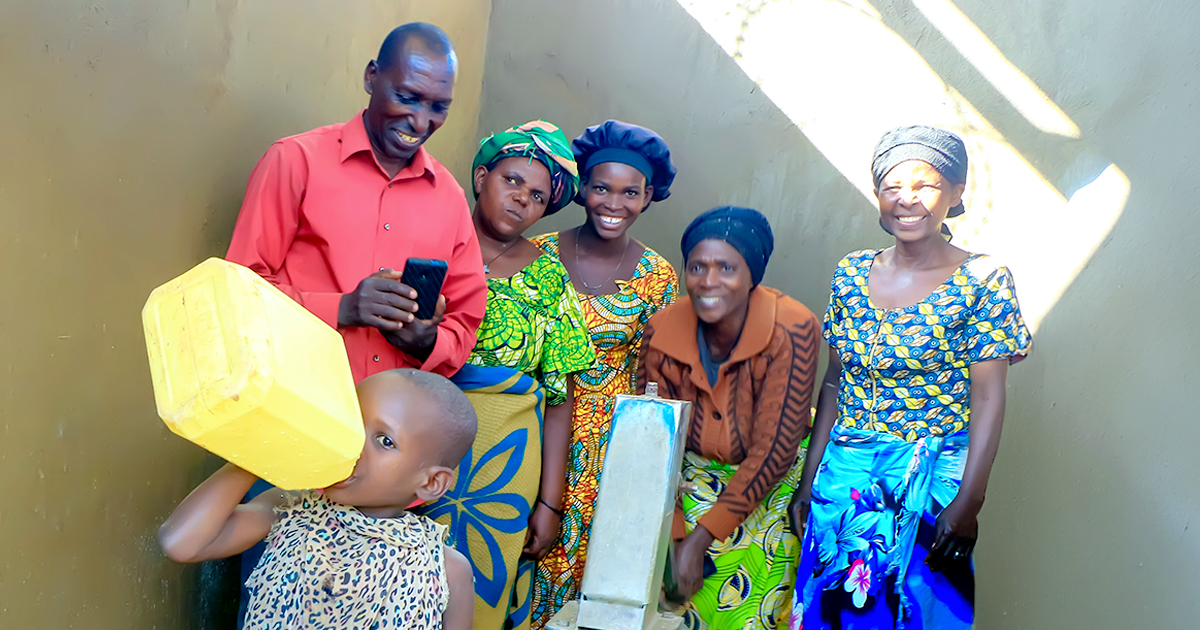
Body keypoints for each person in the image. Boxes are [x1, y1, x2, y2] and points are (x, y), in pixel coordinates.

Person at [788, 126, 1032, 629]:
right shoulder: (851, 273)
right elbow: (834, 383)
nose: (906, 200)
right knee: (832, 615)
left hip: (932, 483)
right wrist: (810, 477)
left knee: (919, 613)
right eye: (892, 187)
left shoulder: (983, 280)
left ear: (956, 193)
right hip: (845, 477)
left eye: (925, 185)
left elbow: (988, 397)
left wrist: (970, 501)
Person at [225, 22, 486, 383]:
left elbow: (464, 323)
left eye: (438, 107)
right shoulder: (295, 161)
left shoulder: (450, 199)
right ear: (371, 77)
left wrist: (427, 342)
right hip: (294, 408)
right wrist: (342, 308)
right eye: (407, 97)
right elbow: (237, 291)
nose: (421, 121)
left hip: (393, 428)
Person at [417, 121, 596, 630]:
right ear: (480, 177)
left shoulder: (548, 275)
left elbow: (559, 395)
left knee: (479, 588)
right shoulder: (432, 240)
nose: (522, 199)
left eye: (538, 196)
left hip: (503, 458)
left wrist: (550, 501)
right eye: (512, 181)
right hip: (417, 437)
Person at [158, 369, 479, 630]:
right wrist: (255, 453)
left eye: (384, 440)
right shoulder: (290, 507)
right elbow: (180, 543)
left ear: (432, 483)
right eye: (352, 422)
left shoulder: (445, 569)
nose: (353, 444)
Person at [635, 206, 819, 630]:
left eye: (727, 268)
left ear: (752, 275)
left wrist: (699, 542)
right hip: (682, 486)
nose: (709, 281)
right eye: (697, 266)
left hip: (769, 490)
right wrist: (675, 539)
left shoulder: (792, 329)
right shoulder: (661, 331)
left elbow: (775, 450)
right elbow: (654, 442)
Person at [529, 120, 680, 628]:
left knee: (592, 570)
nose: (613, 203)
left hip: (608, 444)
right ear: (582, 189)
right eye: (600, 188)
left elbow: (651, 378)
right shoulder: (539, 255)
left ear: (648, 196)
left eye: (629, 192)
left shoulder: (657, 276)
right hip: (533, 426)